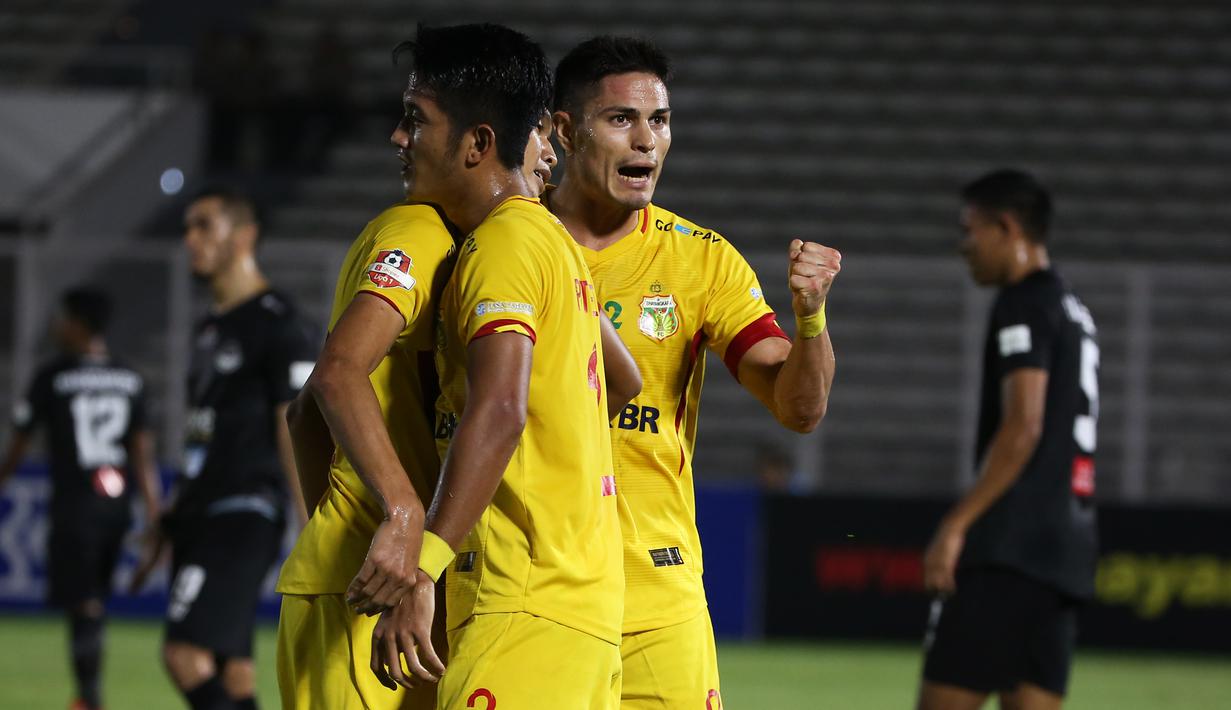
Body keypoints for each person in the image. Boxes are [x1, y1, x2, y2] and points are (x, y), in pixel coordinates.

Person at [545, 36, 840, 708]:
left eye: (660, 120)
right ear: (565, 130)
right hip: (531, 585)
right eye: (621, 120)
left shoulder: (700, 261)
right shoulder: (508, 244)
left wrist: (811, 319)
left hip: (656, 591)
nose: (646, 141)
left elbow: (798, 409)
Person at [361, 24, 638, 710]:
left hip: (521, 604)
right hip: (583, 608)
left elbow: (501, 409)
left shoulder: (502, 245)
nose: (401, 140)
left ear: (478, 143)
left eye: (416, 121)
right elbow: (621, 379)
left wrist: (421, 570)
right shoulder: (555, 241)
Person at [918, 169, 1099, 710]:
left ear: (1006, 227)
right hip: (1065, 553)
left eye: (969, 230)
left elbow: (1025, 425)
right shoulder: (1072, 308)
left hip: (1009, 550)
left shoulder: (1023, 303)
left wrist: (957, 524)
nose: (963, 245)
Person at [144, 187, 317, 710]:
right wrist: (173, 513)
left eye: (204, 227)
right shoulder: (210, 329)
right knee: (233, 669)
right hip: (202, 513)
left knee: (183, 653)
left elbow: (296, 424)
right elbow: (204, 432)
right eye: (188, 229)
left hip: (243, 512)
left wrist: (308, 519)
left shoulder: (278, 322)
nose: (190, 239)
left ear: (244, 236)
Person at [0, 287, 160, 710]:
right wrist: (153, 510)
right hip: (117, 507)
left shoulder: (52, 376)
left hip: (75, 506)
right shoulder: (130, 377)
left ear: (78, 324)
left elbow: (20, 440)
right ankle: (87, 695)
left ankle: (88, 699)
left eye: (62, 317)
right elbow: (142, 453)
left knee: (84, 603)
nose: (56, 325)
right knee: (94, 600)